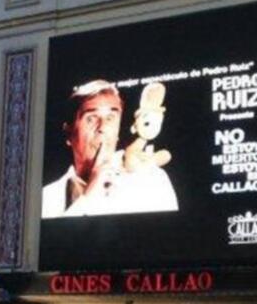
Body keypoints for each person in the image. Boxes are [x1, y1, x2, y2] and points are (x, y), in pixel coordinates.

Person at [41, 80, 177, 219]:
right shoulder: (45, 199)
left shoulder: (151, 180)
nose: (103, 128)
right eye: (91, 118)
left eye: (110, 118)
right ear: (69, 133)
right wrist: (88, 198)